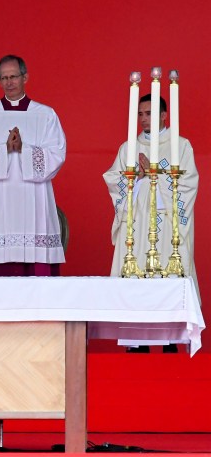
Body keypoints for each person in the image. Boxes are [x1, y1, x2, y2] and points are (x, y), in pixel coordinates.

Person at [103, 94, 199, 352]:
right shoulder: (128, 148)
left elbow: (189, 184)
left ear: (165, 115)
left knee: (166, 276)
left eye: (150, 114)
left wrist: (157, 175)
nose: (144, 119)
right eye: (141, 114)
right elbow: (115, 181)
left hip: (167, 224)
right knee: (137, 280)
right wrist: (134, 176)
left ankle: (170, 339)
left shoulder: (181, 146)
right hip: (137, 223)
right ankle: (137, 341)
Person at [0, 55, 66, 276]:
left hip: (34, 195)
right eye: (4, 78)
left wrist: (24, 148)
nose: (9, 82)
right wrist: (4, 149)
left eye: (13, 77)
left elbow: (57, 153)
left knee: (36, 255)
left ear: (25, 77)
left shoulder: (45, 114)